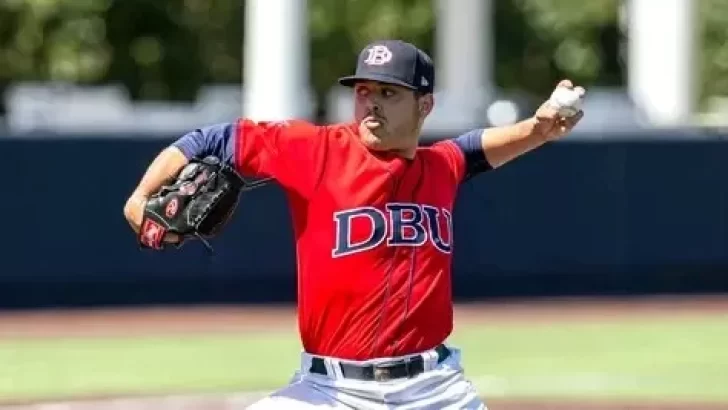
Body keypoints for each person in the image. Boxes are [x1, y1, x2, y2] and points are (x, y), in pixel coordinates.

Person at [124, 39, 585, 409]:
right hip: (328, 391)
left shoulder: (440, 166)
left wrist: (539, 129)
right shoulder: (314, 149)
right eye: (363, 90)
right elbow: (212, 139)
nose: (370, 104)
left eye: (388, 93)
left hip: (436, 390)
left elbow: (478, 148)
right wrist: (141, 197)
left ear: (424, 105)